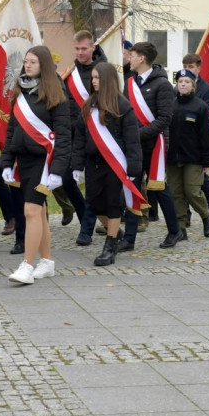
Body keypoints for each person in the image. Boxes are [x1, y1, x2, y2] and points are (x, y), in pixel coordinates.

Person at [2, 46, 70, 283]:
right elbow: (11, 130)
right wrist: (7, 162)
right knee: (39, 213)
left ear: (44, 65)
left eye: (32, 62)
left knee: (30, 210)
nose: (27, 65)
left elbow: (63, 134)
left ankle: (27, 265)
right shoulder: (20, 92)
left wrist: (58, 170)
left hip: (45, 161)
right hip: (24, 159)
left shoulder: (56, 93)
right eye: (26, 62)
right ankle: (47, 261)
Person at [72, 62, 142, 266]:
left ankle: (110, 246)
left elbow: (132, 140)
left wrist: (133, 168)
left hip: (115, 165)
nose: (93, 82)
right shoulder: (88, 106)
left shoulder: (123, 106)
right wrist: (76, 165)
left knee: (113, 204)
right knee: (94, 203)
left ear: (109, 80)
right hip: (93, 163)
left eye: (98, 78)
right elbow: (80, 138)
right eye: (92, 78)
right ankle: (115, 230)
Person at [124, 41, 178, 245]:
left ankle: (174, 231)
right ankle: (129, 239)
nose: (129, 59)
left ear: (142, 59)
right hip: (134, 147)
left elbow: (164, 119)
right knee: (132, 188)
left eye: (132, 55)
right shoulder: (130, 82)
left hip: (155, 145)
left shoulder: (162, 84)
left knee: (159, 189)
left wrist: (136, 135)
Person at [63, 30, 106, 246]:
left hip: (97, 135)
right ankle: (84, 218)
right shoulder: (71, 73)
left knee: (92, 185)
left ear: (93, 48)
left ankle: (87, 229)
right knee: (66, 179)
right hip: (73, 135)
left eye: (84, 48)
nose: (80, 52)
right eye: (77, 49)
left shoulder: (102, 72)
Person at [165, 69, 209, 244]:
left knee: (192, 191)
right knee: (176, 194)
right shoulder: (170, 105)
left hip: (193, 158)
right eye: (180, 82)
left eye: (187, 82)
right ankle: (180, 228)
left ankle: (206, 216)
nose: (183, 84)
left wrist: (208, 159)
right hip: (172, 158)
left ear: (193, 85)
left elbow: (207, 135)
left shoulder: (199, 106)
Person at [182, 52, 209, 223]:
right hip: (182, 137)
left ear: (198, 68)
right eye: (185, 67)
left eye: (191, 67)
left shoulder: (207, 89)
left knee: (201, 178)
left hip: (198, 137)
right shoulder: (180, 85)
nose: (187, 70)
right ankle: (185, 215)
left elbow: (205, 109)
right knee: (181, 177)